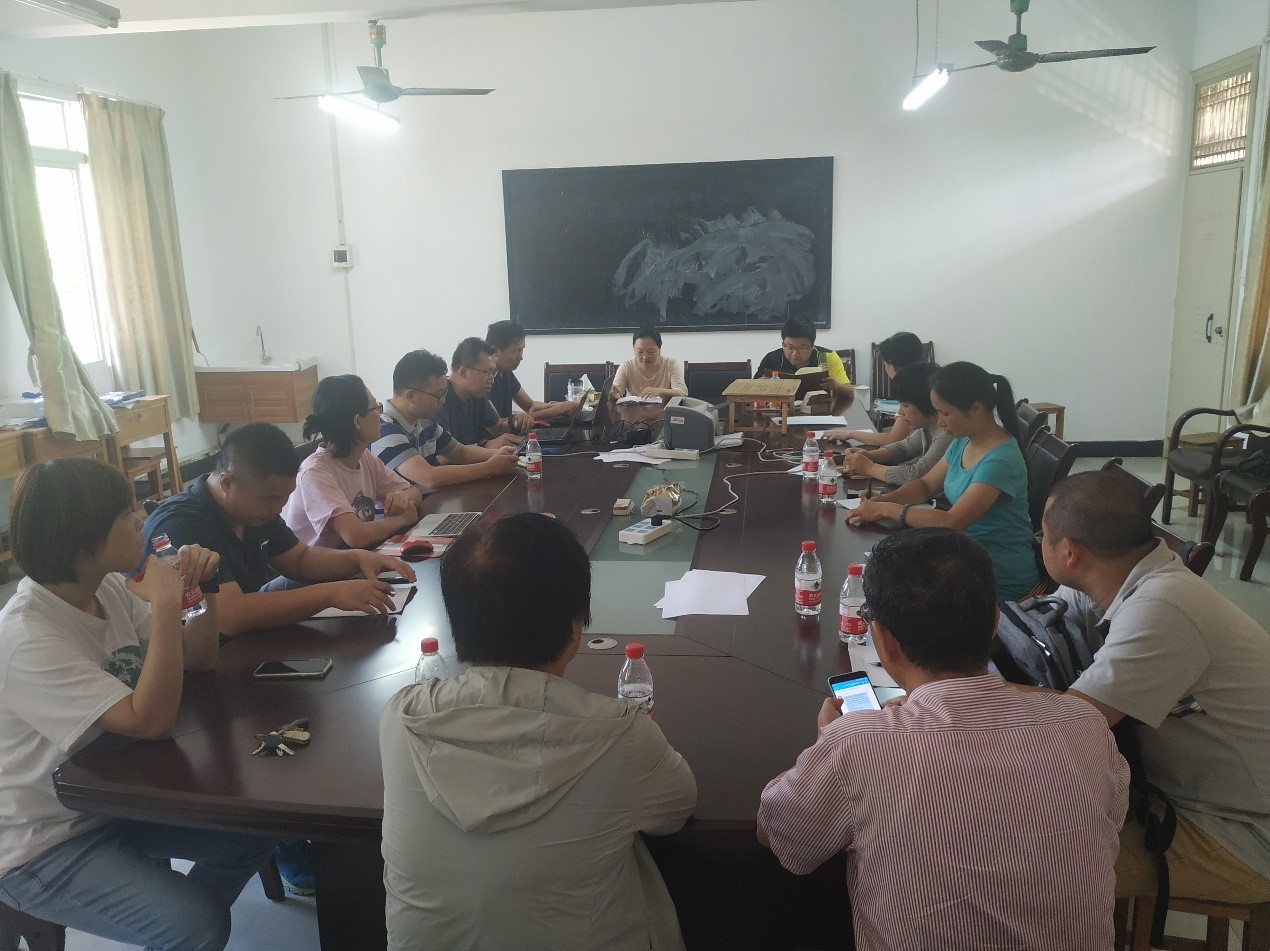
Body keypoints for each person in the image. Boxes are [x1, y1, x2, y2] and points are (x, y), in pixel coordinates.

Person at [757, 528, 1127, 951]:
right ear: (995, 622)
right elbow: (1108, 824)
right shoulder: (1084, 725)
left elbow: (782, 838)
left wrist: (827, 744)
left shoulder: (858, 745)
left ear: (882, 640)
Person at [379, 513, 697, 951]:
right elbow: (676, 810)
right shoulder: (621, 737)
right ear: (574, 627)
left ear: (456, 625)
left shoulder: (400, 717)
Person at [0, 459, 276, 949]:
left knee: (254, 833)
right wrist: (167, 603)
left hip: (112, 801)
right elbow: (150, 721)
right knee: (198, 924)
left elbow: (200, 657)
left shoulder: (104, 586)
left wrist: (201, 588)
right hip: (42, 839)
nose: (143, 519)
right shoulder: (26, 638)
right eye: (128, 514)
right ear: (83, 542)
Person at [1035, 470, 1270, 904]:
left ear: (1069, 551)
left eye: (1042, 536)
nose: (1040, 543)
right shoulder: (1108, 577)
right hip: (1181, 791)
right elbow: (1034, 625)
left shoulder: (1163, 608)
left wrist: (960, 696)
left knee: (1028, 867)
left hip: (1242, 831)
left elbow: (1070, 722)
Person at [144, 422, 415, 638]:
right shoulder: (181, 525)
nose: (279, 508)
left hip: (242, 642)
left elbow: (299, 559)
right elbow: (230, 615)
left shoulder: (256, 508)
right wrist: (332, 594)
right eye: (271, 499)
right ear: (227, 483)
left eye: (286, 497)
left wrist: (358, 558)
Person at [847, 361, 1040, 600]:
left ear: (976, 408)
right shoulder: (964, 439)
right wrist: (884, 499)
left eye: (945, 413)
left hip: (996, 576)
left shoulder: (999, 460)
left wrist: (887, 509)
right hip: (963, 558)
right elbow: (926, 485)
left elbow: (952, 521)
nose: (939, 421)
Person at [282, 374, 424, 550]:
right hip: (321, 565)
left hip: (353, 557)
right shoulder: (315, 473)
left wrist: (402, 497)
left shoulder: (363, 457)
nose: (380, 416)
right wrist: (402, 519)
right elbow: (356, 536)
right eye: (375, 408)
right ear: (357, 421)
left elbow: (414, 493)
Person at [372, 349, 519, 491]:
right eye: (439, 395)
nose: (443, 401)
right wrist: (489, 467)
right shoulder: (384, 432)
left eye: (445, 393)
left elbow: (461, 452)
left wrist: (501, 453)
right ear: (411, 396)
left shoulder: (425, 421)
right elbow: (430, 477)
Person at [841, 362, 949, 487]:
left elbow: (916, 475)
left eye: (905, 405)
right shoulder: (926, 426)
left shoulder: (946, 434)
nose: (900, 412)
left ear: (927, 403)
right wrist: (869, 456)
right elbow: (904, 448)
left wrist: (868, 467)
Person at [826, 330, 923, 445]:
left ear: (893, 365)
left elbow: (893, 439)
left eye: (885, 363)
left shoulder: (910, 391)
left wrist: (850, 433)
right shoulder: (921, 380)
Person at [485, 320, 577, 432]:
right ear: (495, 351)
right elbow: (498, 426)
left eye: (522, 350)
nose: (521, 357)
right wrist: (554, 411)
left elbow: (530, 406)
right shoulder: (482, 380)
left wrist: (557, 406)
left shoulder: (505, 372)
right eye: (516, 351)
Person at [435, 337, 520, 449]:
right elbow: (444, 455)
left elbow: (498, 429)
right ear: (464, 372)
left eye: (493, 373)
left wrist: (516, 422)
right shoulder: (439, 399)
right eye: (487, 372)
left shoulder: (476, 395)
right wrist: (487, 445)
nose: (492, 380)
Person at [753, 317, 852, 399]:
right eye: (790, 347)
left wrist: (836, 386)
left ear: (812, 345)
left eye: (802, 348)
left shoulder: (827, 356)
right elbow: (751, 392)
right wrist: (760, 385)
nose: (795, 354)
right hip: (781, 412)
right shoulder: (771, 359)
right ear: (783, 344)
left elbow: (850, 392)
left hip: (818, 412)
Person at [610, 327, 688, 401]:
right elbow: (617, 393)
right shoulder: (626, 367)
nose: (645, 357)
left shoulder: (671, 364)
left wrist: (660, 391)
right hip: (634, 410)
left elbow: (683, 392)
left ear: (659, 349)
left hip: (664, 409)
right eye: (640, 352)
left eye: (651, 352)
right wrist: (614, 394)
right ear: (634, 349)